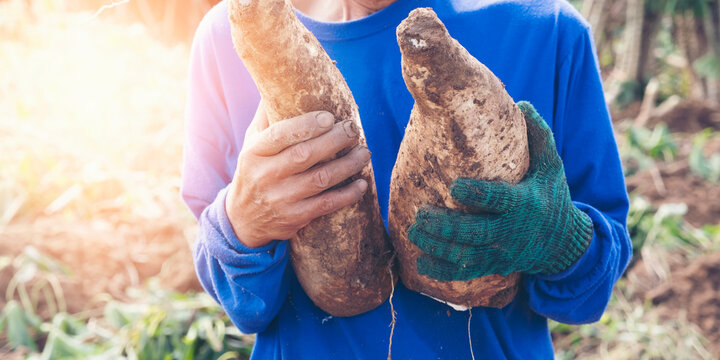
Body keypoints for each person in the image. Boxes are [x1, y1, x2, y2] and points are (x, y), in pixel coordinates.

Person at [181, 0, 632, 358]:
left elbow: (590, 293)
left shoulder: (546, 29)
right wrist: (242, 222)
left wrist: (561, 241)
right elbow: (241, 301)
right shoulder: (236, 34)